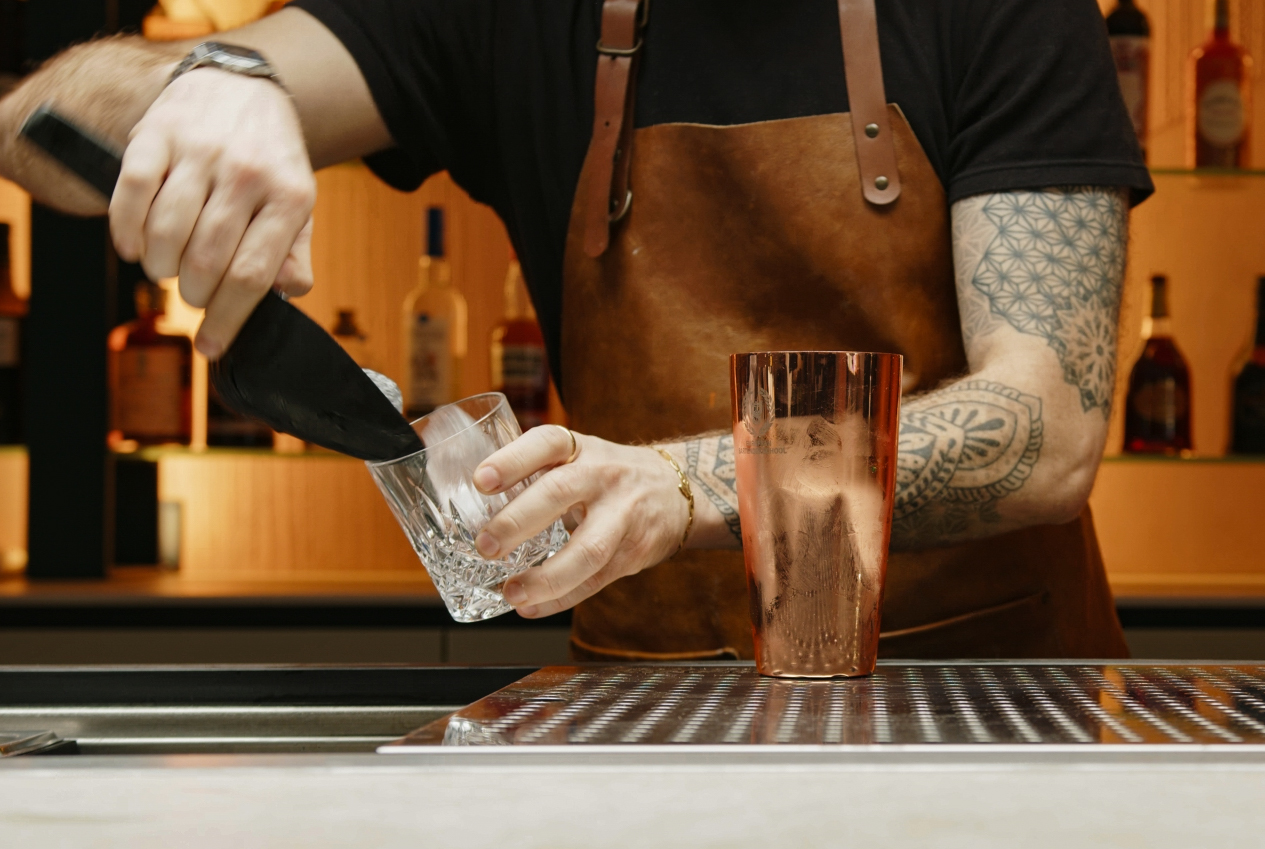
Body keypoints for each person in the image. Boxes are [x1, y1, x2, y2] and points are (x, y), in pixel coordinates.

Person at [0, 0, 1153, 660]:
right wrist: (215, 76)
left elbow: (1045, 432)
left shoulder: (999, 9)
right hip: (650, 723)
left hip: (989, 713)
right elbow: (33, 128)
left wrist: (684, 486)